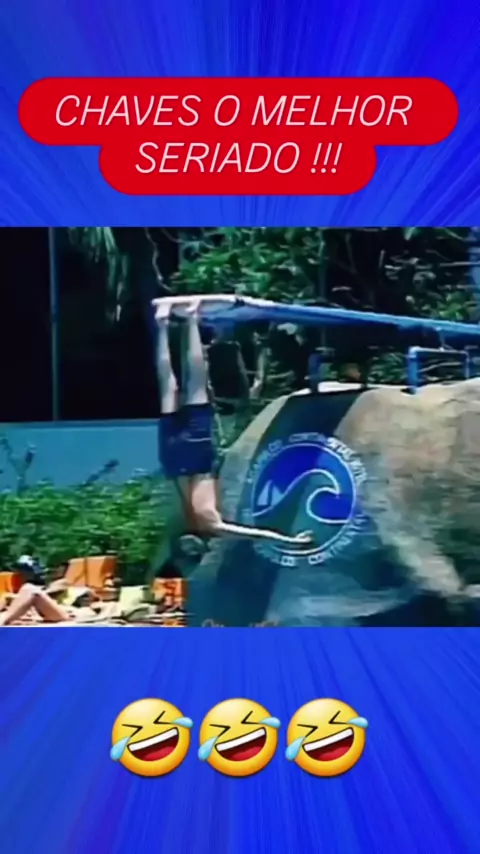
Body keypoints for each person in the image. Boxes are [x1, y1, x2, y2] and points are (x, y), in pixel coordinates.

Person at [153, 296, 312, 550]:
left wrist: (291, 540)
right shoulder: (176, 526)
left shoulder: (211, 526)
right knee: (168, 387)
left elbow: (254, 534)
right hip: (171, 458)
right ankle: (162, 323)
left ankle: (192, 319)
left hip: (197, 457)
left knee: (195, 383)